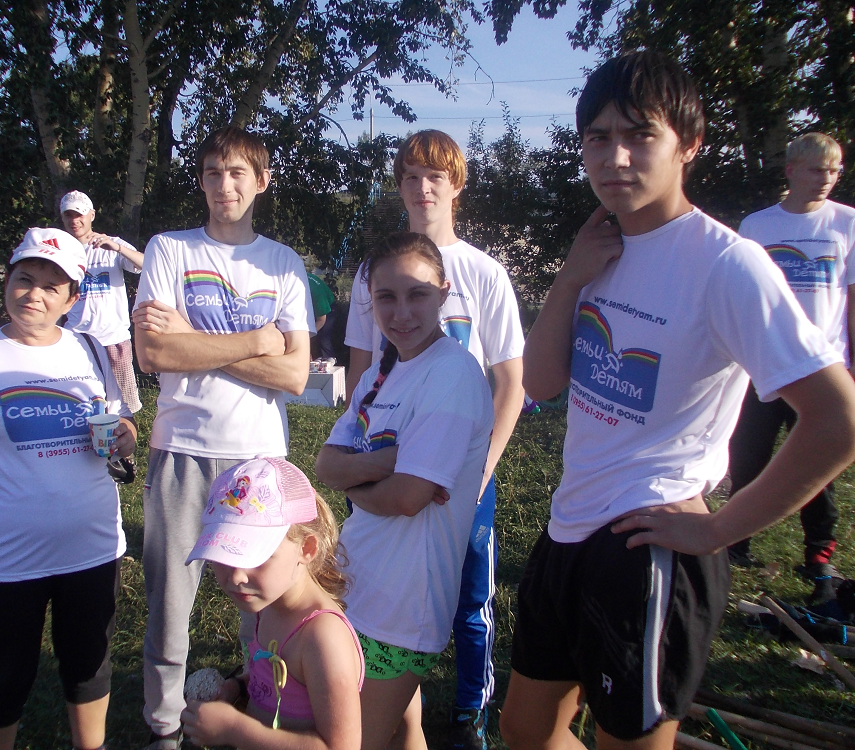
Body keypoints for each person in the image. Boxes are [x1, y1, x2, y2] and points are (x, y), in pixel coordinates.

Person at [504, 51, 855, 750]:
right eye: (598, 137)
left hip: (648, 545)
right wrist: (569, 279)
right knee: (524, 731)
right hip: (569, 524)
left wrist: (719, 530)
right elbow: (540, 384)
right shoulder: (600, 243)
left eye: (640, 135)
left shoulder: (726, 264)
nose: (615, 157)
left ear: (689, 143)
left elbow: (838, 419)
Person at [131, 126, 314, 750]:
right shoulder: (168, 250)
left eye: (237, 173)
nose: (224, 185)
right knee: (169, 604)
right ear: (202, 180)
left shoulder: (282, 263)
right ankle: (164, 729)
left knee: (261, 602)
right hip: (182, 448)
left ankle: (260, 714)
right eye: (213, 172)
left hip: (257, 458)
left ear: (261, 182)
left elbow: (294, 375)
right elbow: (154, 353)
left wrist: (192, 336)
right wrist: (257, 340)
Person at [344, 130, 525, 749]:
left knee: (471, 594)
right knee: (381, 589)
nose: (422, 188)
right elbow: (361, 371)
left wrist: (482, 469)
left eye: (435, 177)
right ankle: (398, 708)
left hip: (464, 466)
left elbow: (510, 381)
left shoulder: (484, 272)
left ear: (457, 185)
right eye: (411, 177)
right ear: (398, 187)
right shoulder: (373, 271)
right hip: (387, 462)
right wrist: (362, 460)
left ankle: (470, 712)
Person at [0, 227, 137, 750]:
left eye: (50, 286)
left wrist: (121, 436)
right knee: (2, 680)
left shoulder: (90, 351)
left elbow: (122, 425)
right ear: (7, 281)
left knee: (89, 668)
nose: (33, 294)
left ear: (71, 299)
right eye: (25, 279)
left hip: (91, 548)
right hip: (2, 557)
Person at [316, 232, 495, 750]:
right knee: (401, 732)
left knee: (353, 742)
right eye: (386, 297)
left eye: (417, 294)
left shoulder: (452, 373)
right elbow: (325, 464)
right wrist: (384, 464)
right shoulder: (381, 371)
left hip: (402, 604)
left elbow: (408, 499)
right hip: (359, 581)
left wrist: (360, 479)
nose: (401, 313)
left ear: (444, 292)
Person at [725, 133, 855, 604]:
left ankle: (819, 553)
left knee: (817, 468)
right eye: (817, 169)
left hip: (821, 369)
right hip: (761, 366)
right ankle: (734, 540)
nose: (827, 178)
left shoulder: (847, 223)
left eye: (834, 170)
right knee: (748, 457)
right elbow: (740, 297)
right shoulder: (758, 225)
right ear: (791, 171)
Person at [180, 458, 364, 750]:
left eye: (256, 557)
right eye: (223, 555)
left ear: (306, 548)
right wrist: (238, 687)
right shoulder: (270, 605)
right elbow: (275, 683)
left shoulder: (323, 638)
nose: (236, 576)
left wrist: (235, 730)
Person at [60, 190, 145, 413]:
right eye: (68, 215)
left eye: (79, 214)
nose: (74, 220)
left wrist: (118, 248)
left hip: (114, 340)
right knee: (82, 406)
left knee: (124, 409)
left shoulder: (112, 244)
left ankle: (126, 436)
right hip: (77, 341)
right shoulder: (60, 251)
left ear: (92, 215)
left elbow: (147, 265)